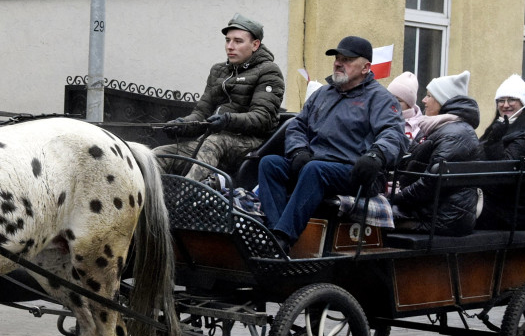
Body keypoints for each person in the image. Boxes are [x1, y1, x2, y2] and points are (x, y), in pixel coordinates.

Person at [257, 36, 407, 254]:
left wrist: (376, 155)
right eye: (337, 58)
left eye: (346, 59)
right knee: (270, 163)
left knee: (314, 169)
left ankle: (283, 238)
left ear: (366, 67)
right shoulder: (322, 94)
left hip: (357, 171)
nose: (338, 63)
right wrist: (298, 150)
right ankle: (274, 233)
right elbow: (297, 125)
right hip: (317, 165)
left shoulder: (380, 99)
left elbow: (393, 133)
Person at [155, 14, 285, 182]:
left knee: (214, 143)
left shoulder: (269, 71)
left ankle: (185, 198)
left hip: (251, 145)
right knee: (157, 155)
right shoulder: (218, 71)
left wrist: (227, 120)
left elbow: (263, 118)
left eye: (238, 41)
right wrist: (182, 125)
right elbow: (201, 113)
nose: (230, 46)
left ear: (255, 45)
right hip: (212, 141)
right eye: (227, 40)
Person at [389, 71, 481, 235]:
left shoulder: (454, 134)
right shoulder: (442, 129)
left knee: (364, 214)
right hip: (435, 210)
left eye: (429, 96)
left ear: (443, 100)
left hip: (443, 218)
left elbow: (430, 183)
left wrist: (395, 197)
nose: (424, 100)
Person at [475, 74, 525, 230]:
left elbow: (505, 169)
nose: (505, 105)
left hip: (514, 210)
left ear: (523, 103)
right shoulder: (498, 128)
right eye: (501, 101)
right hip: (494, 201)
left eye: (511, 100)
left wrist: (494, 142)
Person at [388, 71, 423, 141]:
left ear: (409, 105)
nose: (393, 102)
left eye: (399, 100)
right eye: (390, 98)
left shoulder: (420, 126)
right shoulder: (378, 118)